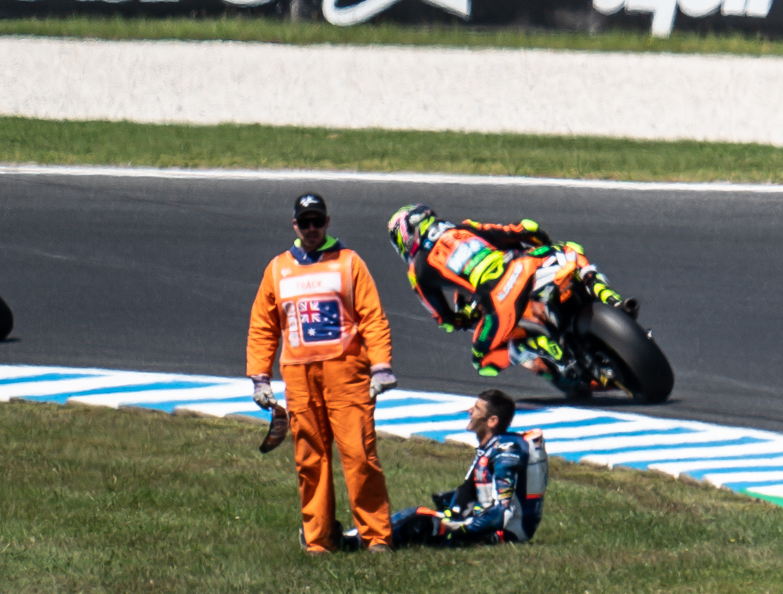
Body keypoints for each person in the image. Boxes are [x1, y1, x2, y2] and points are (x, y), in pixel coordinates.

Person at [248, 191, 396, 553]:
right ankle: (318, 539)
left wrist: (381, 366)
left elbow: (372, 316)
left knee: (360, 455)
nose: (311, 228)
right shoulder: (278, 268)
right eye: (305, 222)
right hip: (298, 375)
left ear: (327, 222)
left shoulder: (349, 262)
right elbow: (263, 326)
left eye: (318, 221)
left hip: (347, 374)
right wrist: (260, 377)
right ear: (294, 226)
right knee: (309, 458)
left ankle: (376, 537)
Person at [385, 204, 585, 378]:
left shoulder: (417, 270)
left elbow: (443, 319)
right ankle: (603, 293)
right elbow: (522, 229)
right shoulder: (465, 227)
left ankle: (533, 345)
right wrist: (543, 243)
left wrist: (459, 319)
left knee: (482, 362)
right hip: (526, 264)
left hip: (499, 296)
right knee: (572, 253)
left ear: (406, 234)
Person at [392, 389, 543, 546]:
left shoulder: (506, 450)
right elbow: (470, 490)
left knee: (418, 520)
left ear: (492, 421)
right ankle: (371, 534)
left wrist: (460, 529)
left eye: (476, 408)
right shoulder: (489, 448)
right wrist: (453, 510)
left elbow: (501, 509)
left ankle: (372, 539)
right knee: (415, 516)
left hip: (500, 533)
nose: (469, 411)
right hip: (482, 524)